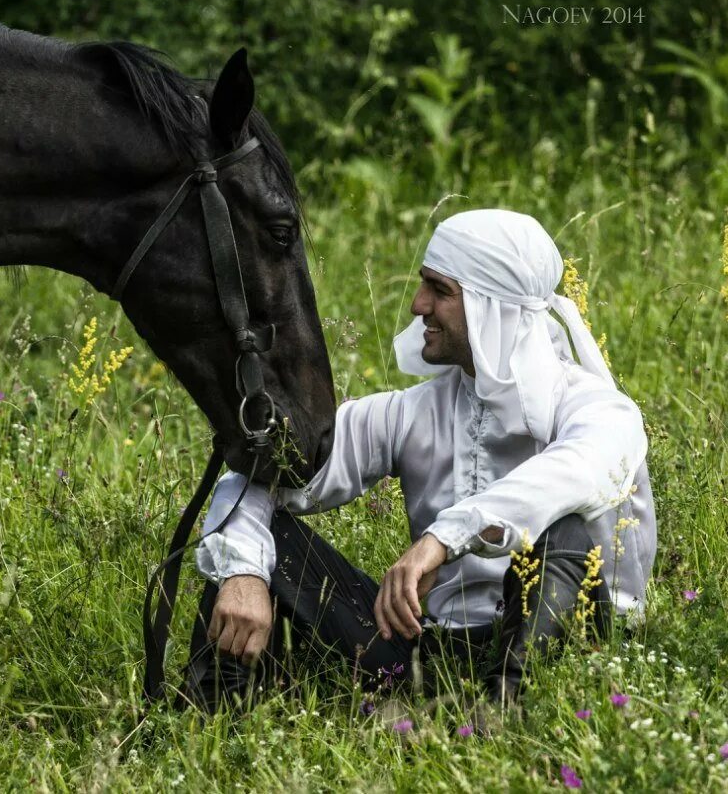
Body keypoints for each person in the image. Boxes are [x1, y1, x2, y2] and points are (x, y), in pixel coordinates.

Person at [182, 209, 656, 711]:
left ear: (491, 306)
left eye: (439, 290)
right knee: (258, 532)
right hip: (434, 655)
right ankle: (213, 725)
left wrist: (440, 539)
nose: (417, 304)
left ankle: (504, 717)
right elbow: (267, 469)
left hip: (580, 648)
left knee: (566, 528)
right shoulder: (410, 412)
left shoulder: (600, 409)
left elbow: (575, 471)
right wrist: (244, 573)